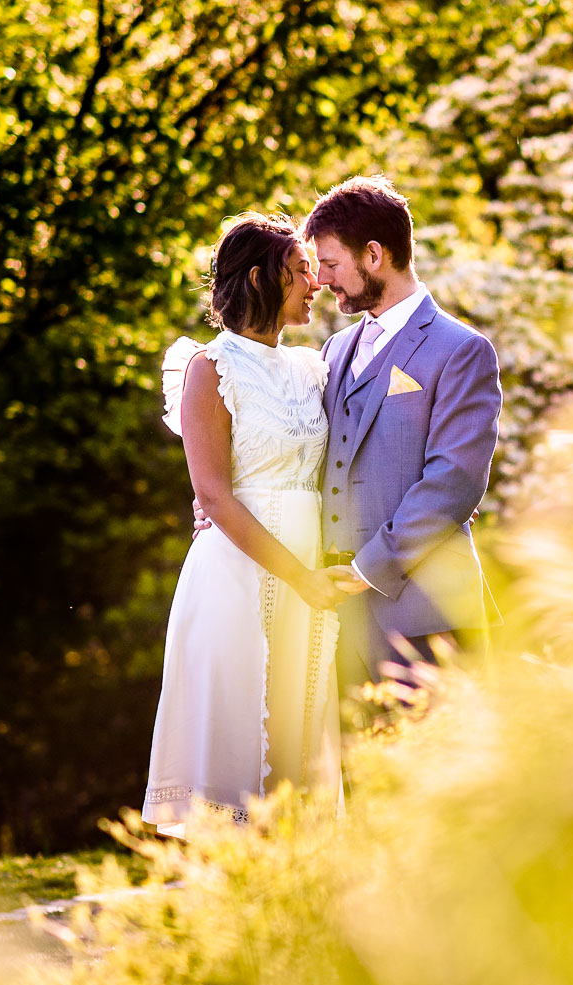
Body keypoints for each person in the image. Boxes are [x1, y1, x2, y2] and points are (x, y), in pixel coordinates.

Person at [141, 213, 362, 838]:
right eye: (300, 273)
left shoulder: (311, 369)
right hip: (240, 578)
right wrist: (300, 577)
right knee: (240, 748)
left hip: (307, 581)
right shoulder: (209, 367)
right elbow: (212, 492)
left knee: (298, 734)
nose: (314, 285)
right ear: (264, 278)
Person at [302, 176, 503, 701]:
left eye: (330, 263)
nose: (321, 280)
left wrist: (369, 569)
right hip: (340, 622)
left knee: (441, 778)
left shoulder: (462, 350)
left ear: (373, 255)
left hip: (425, 617)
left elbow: (454, 483)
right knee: (357, 779)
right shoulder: (335, 350)